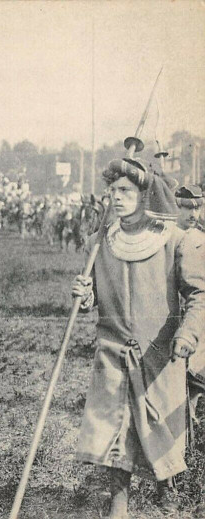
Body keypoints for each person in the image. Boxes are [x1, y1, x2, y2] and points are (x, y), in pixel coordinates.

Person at [71, 159, 205, 518]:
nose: (116, 197)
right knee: (117, 423)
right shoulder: (99, 243)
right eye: (112, 191)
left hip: (160, 351)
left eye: (125, 191)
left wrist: (188, 333)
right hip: (113, 350)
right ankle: (119, 498)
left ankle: (168, 485)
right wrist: (84, 295)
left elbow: (198, 294)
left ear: (143, 194)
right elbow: (94, 297)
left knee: (159, 424)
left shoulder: (175, 240)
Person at [174, 185, 205, 442]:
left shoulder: (202, 239)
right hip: (171, 320)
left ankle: (190, 442)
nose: (192, 213)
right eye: (186, 207)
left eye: (197, 207)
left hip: (198, 318)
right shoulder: (167, 239)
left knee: (194, 380)